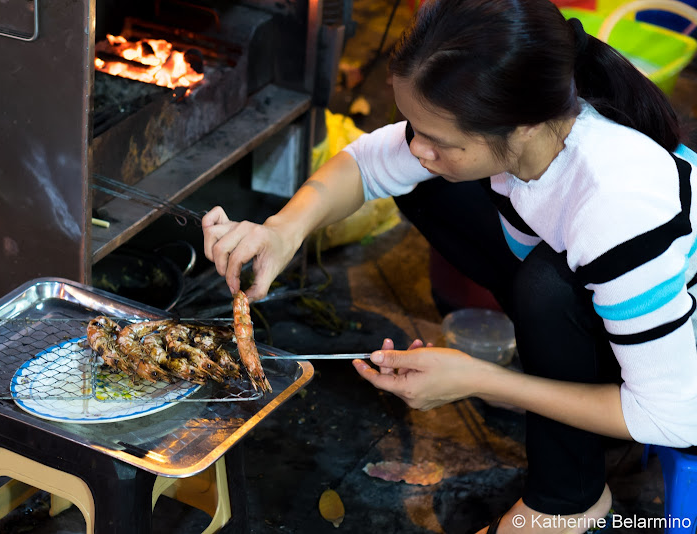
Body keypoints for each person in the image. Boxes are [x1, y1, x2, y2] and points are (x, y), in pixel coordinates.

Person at [202, 0, 697, 531]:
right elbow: (368, 163)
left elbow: (669, 415)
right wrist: (283, 231)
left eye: (440, 140)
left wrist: (481, 380)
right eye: (414, 127)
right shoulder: (528, 123)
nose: (417, 146)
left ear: (524, 126)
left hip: (677, 376)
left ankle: (566, 505)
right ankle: (553, 361)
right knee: (430, 190)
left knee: (547, 289)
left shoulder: (616, 204)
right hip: (625, 317)